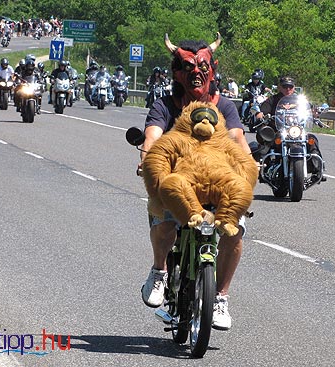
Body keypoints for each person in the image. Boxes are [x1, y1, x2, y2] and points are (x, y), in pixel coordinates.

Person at [139, 33, 252, 331]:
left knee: (236, 230)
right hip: (177, 183)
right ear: (177, 73)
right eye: (188, 68)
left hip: (215, 184)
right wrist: (147, 159)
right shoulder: (165, 105)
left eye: (203, 68)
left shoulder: (224, 106)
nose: (196, 75)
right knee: (164, 220)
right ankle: (159, 271)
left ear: (212, 70)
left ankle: (221, 296)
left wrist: (249, 164)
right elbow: (152, 136)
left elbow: (238, 138)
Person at [254, 75, 326, 181]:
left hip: (296, 131)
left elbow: (309, 110)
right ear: (280, 87)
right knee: (271, 140)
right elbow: (261, 110)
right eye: (285, 86)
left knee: (312, 140)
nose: (288, 89)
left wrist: (315, 114)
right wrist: (260, 114)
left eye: (290, 87)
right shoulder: (273, 99)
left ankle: (318, 170)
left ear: (294, 87)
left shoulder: (300, 100)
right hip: (279, 130)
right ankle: (263, 167)